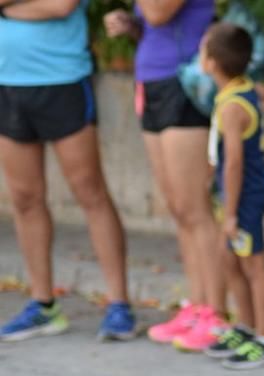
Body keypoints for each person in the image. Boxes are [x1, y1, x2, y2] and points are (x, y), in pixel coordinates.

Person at [0, 0, 136, 342]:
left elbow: (61, 6)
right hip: (7, 82)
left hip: (62, 79)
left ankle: (119, 304)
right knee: (25, 198)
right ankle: (43, 304)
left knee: (89, 191)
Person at [104, 0, 227, 351]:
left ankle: (215, 313)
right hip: (152, 81)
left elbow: (160, 11)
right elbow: (156, 23)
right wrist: (131, 25)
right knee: (177, 206)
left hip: (185, 84)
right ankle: (196, 305)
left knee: (195, 206)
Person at [197, 22, 264, 369]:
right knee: (230, 259)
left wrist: (231, 213)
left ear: (212, 63)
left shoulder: (232, 106)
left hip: (243, 195)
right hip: (237, 193)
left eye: (203, 50)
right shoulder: (243, 89)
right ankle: (246, 327)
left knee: (253, 264)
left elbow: (234, 162)